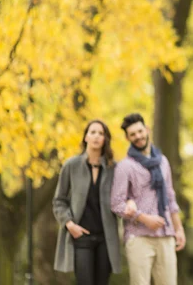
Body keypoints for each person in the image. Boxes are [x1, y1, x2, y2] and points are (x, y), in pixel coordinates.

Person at [53, 119, 131, 284]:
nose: (96, 136)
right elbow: (59, 200)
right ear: (86, 137)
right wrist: (69, 224)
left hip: (106, 238)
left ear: (105, 139)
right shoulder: (71, 166)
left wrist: (130, 205)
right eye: (92, 132)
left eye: (101, 133)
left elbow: (122, 198)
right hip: (81, 236)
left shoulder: (114, 168)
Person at [111, 113, 186, 285]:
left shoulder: (163, 162)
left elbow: (170, 197)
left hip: (166, 235)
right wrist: (143, 218)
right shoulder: (125, 166)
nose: (138, 136)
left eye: (139, 131)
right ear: (128, 138)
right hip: (138, 237)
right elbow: (116, 203)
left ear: (147, 129)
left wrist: (179, 229)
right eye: (132, 134)